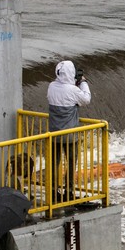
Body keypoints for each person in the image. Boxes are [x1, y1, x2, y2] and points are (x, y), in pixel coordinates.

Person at [47, 60, 91, 202]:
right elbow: (86, 100)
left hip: (54, 134)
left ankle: (53, 190)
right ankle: (69, 190)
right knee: (71, 163)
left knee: (55, 163)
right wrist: (83, 82)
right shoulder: (72, 90)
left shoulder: (51, 87)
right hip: (70, 136)